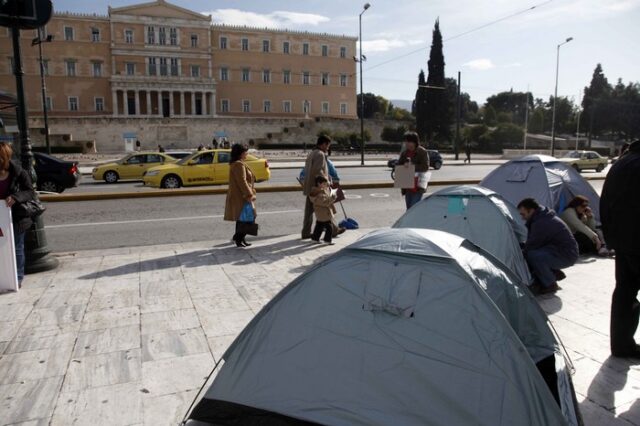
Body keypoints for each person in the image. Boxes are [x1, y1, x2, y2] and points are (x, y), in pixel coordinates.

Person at [600, 139, 640, 358]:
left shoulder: (620, 165)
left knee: (624, 293)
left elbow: (604, 203)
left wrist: (611, 238)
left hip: (622, 243)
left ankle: (621, 345)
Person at [517, 198, 579, 295]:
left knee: (532, 255)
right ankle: (553, 272)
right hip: (559, 251)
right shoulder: (542, 217)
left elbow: (531, 246)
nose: (522, 217)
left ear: (531, 211)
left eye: (523, 214)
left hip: (566, 255)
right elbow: (535, 241)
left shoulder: (541, 222)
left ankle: (551, 284)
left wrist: (517, 254)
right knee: (532, 253)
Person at [0, 143, 37, 287]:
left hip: (16, 217)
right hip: (0, 215)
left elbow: (29, 191)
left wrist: (15, 197)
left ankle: (17, 277)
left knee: (17, 247)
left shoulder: (18, 172)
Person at [224, 143, 257, 248]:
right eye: (245, 152)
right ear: (240, 153)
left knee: (242, 219)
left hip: (240, 195)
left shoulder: (238, 163)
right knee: (249, 218)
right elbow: (242, 181)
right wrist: (249, 194)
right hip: (242, 196)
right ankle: (238, 237)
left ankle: (240, 239)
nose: (247, 153)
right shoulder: (239, 164)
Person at [301, 135, 331, 239]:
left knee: (309, 212)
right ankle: (333, 230)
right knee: (326, 208)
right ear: (323, 144)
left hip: (310, 187)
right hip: (317, 188)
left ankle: (305, 232)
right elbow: (318, 171)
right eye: (327, 146)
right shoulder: (320, 154)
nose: (328, 148)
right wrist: (325, 182)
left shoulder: (312, 153)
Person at [397, 131, 429, 210]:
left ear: (414, 142)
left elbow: (425, 167)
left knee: (413, 209)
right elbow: (399, 165)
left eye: (408, 141)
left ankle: (415, 222)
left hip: (418, 185)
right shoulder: (404, 153)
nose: (406, 143)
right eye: (406, 141)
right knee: (409, 209)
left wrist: (412, 166)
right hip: (407, 185)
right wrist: (401, 166)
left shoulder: (422, 152)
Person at [309, 175, 337, 245]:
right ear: (319, 184)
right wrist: (333, 198)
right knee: (329, 227)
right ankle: (327, 240)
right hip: (324, 213)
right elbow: (325, 203)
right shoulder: (320, 193)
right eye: (324, 184)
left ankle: (315, 238)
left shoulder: (317, 191)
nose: (326, 185)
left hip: (320, 214)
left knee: (319, 226)